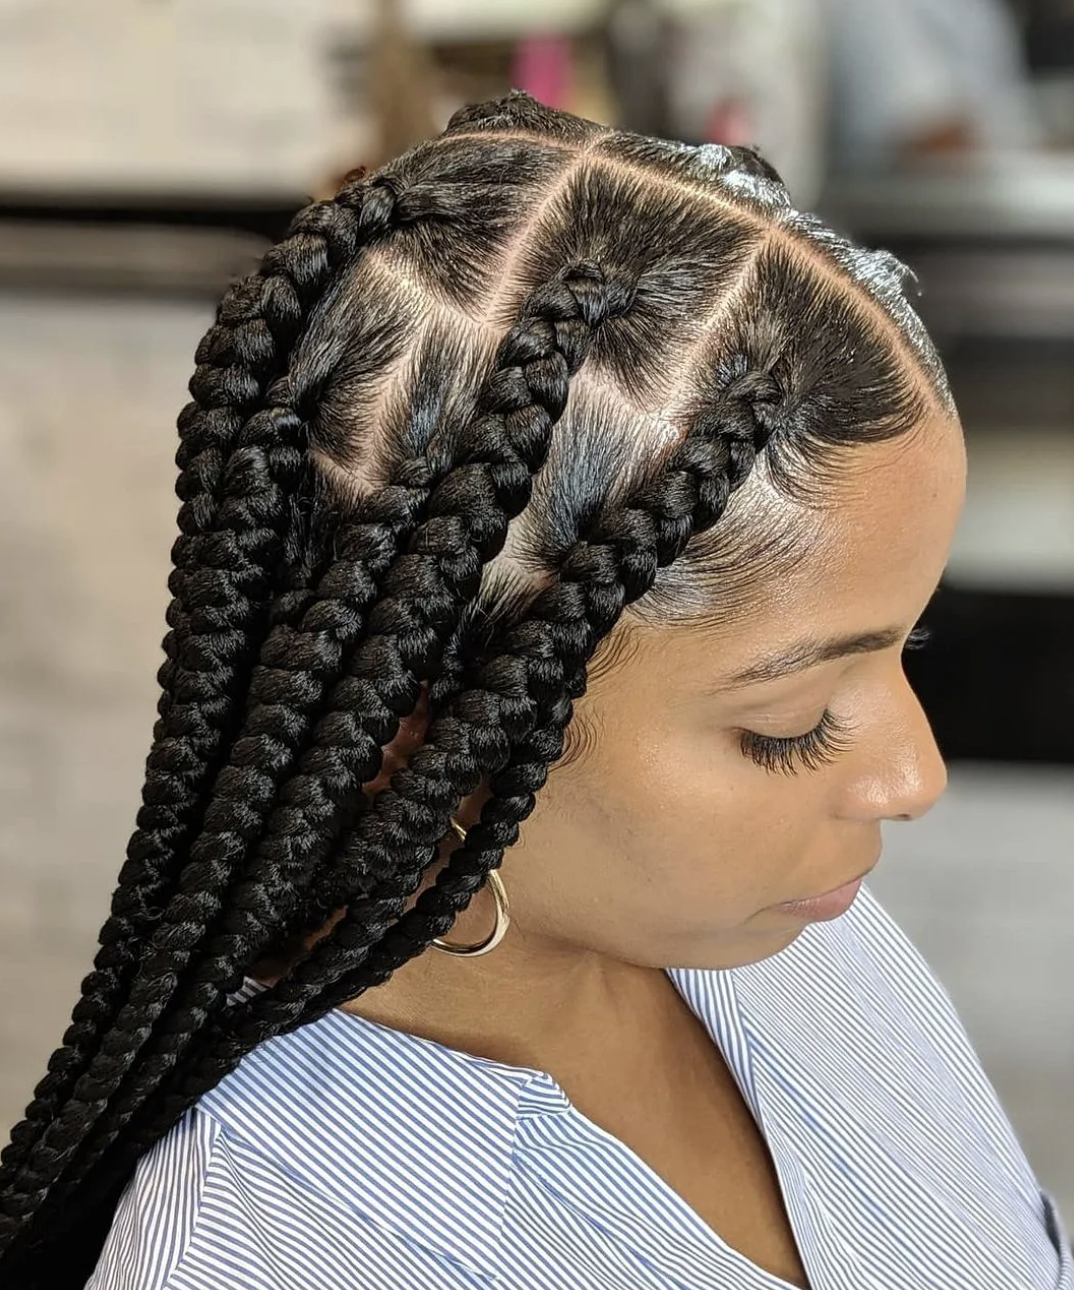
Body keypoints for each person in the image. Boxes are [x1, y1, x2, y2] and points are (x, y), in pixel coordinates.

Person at [0, 92, 1068, 1290]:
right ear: (423, 732)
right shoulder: (269, 1256)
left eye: (909, 645)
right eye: (790, 725)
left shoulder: (797, 938)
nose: (914, 777)